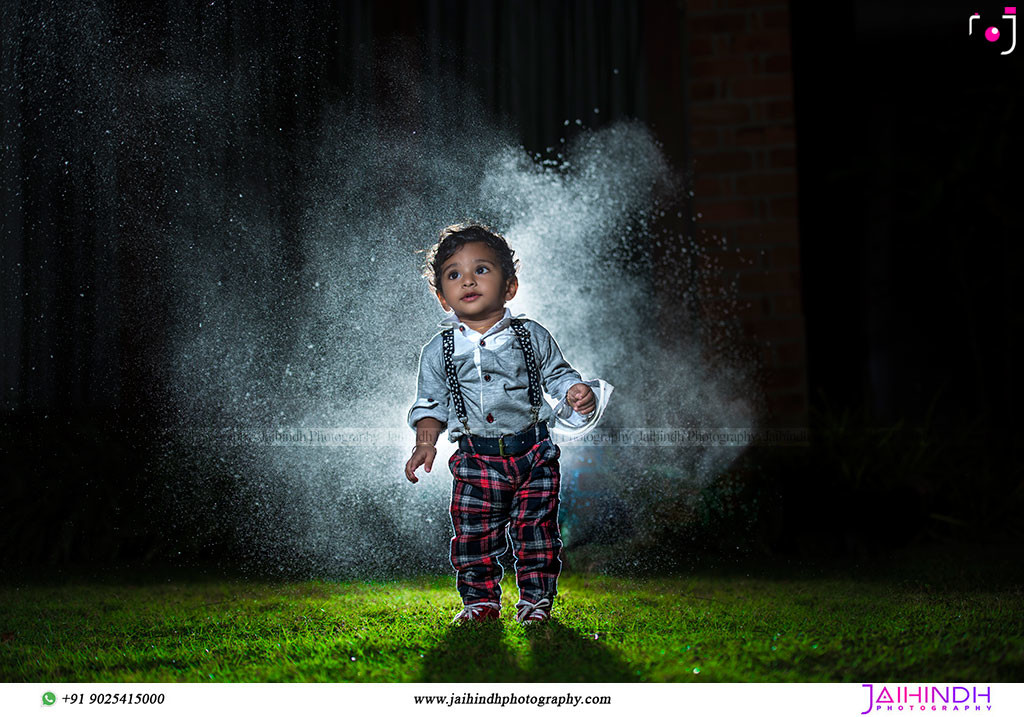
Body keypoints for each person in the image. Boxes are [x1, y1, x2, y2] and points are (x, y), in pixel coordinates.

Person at [405, 223, 607, 625]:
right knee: (474, 536)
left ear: (510, 286)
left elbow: (558, 374)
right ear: (442, 297)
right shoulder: (438, 352)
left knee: (536, 533)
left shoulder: (531, 336)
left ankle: (536, 602)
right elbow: (431, 402)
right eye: (454, 274)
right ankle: (479, 601)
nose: (468, 281)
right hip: (475, 460)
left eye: (481, 270)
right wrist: (425, 442)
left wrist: (574, 391)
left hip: (533, 454)